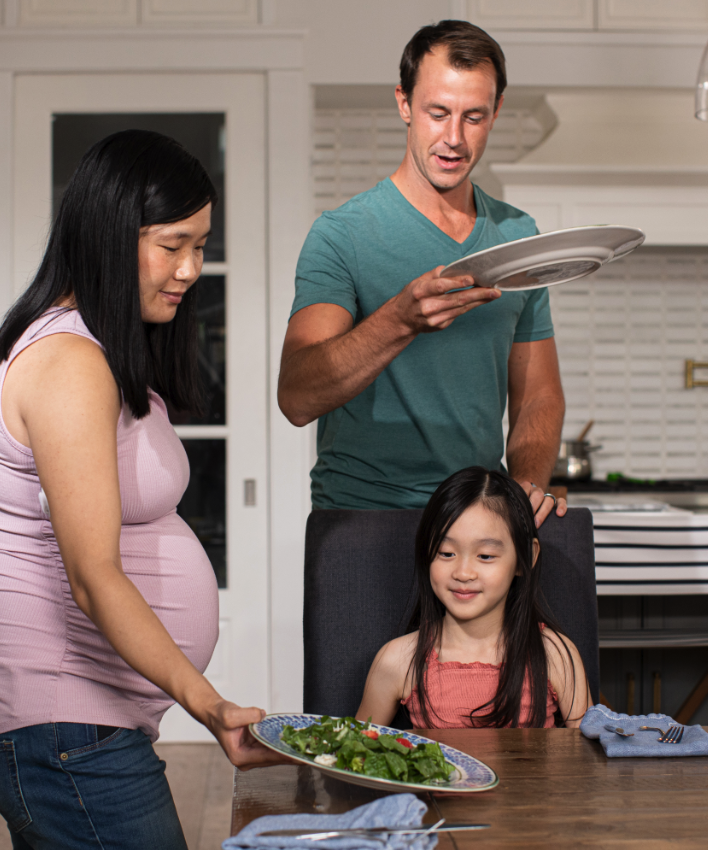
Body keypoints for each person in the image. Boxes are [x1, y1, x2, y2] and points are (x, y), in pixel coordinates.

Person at [0, 130, 279, 850]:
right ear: (107, 234)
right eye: (172, 245)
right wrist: (209, 705)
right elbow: (92, 576)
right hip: (59, 720)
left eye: (201, 245)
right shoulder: (70, 364)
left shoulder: (95, 349)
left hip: (77, 721)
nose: (191, 268)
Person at [278, 20, 566, 528]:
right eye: (438, 113)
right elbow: (297, 397)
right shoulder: (342, 235)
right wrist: (399, 321)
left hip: (478, 520)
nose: (454, 138)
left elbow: (539, 396)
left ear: (496, 111)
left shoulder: (517, 236)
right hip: (363, 520)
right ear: (404, 104)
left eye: (473, 117)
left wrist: (525, 485)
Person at [356, 467, 590, 730]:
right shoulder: (398, 660)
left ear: (526, 557)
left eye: (485, 556)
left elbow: (589, 750)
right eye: (446, 553)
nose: (463, 573)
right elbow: (353, 751)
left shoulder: (555, 654)